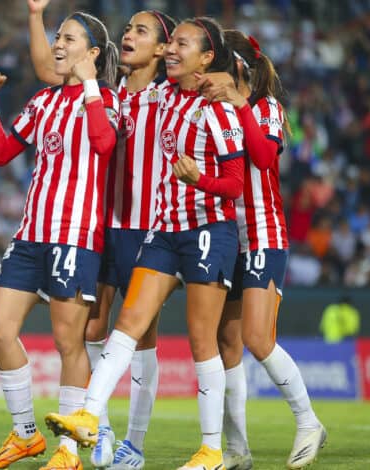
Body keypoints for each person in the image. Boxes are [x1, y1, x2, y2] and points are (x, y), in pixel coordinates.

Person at [45, 17, 245, 470]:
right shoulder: (155, 96)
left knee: (200, 341)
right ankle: (89, 418)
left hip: (205, 230)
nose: (172, 49)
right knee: (121, 329)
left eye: (178, 42)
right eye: (170, 42)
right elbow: (91, 88)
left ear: (206, 57)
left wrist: (202, 176)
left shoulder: (219, 105)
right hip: (160, 231)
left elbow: (234, 184)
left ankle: (207, 448)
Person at [27, 1, 177, 467]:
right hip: (101, 226)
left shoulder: (169, 95)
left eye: (142, 30)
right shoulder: (105, 92)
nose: (128, 34)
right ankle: (102, 428)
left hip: (147, 230)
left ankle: (134, 441)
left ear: (162, 49)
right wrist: (36, 18)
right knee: (93, 327)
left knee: (141, 336)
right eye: (128, 28)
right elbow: (50, 71)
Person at [0, 9, 119, 470]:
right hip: (30, 235)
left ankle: (69, 451)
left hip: (76, 238)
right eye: (57, 37)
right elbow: (2, 152)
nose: (58, 45)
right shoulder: (43, 102)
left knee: (68, 344)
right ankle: (25, 436)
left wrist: (91, 86)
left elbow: (103, 145)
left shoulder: (108, 102)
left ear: (92, 53)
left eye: (70, 39)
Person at [199, 31, 327, 469]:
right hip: (225, 238)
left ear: (236, 69)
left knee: (256, 337)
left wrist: (238, 102)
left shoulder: (266, 108)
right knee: (226, 343)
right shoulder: (213, 111)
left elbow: (264, 158)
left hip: (262, 236)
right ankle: (237, 450)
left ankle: (309, 422)